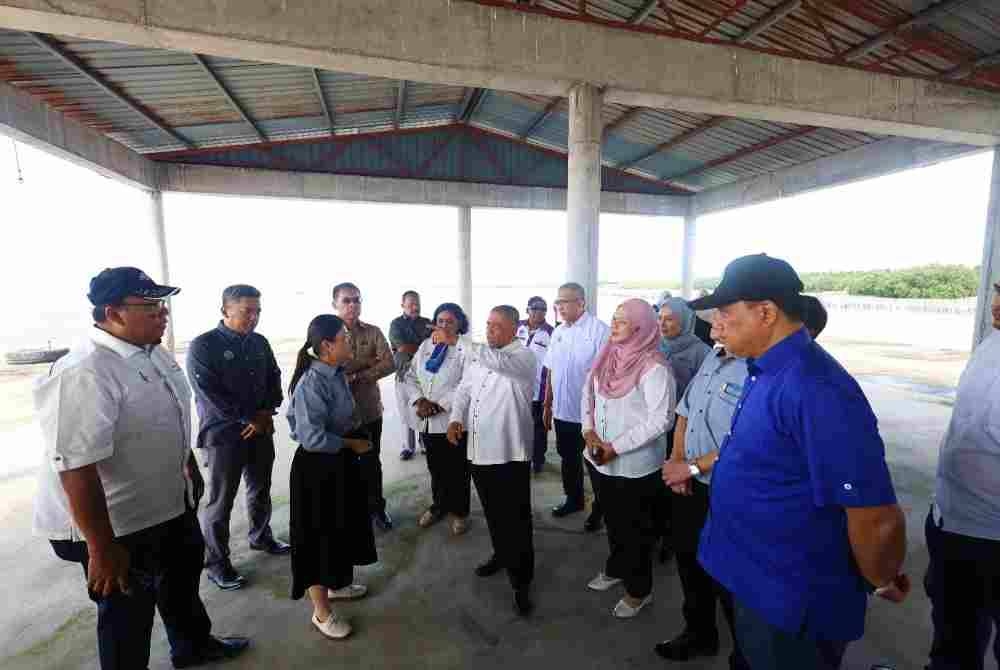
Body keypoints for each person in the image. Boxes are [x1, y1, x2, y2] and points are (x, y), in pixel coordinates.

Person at [693, 254, 908, 670]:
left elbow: (876, 515)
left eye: (724, 312)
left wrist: (881, 578)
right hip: (752, 578)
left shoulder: (816, 387)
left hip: (789, 597)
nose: (713, 324)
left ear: (766, 312)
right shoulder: (764, 369)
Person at [32, 267, 249, 669]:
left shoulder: (153, 351)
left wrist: (186, 464)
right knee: (127, 614)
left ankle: (193, 646)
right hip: (116, 523)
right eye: (149, 304)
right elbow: (76, 467)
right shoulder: (85, 371)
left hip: (167, 504)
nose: (161, 312)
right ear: (112, 312)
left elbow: (168, 418)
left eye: (161, 303)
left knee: (182, 583)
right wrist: (101, 547)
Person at [657, 316, 749, 667]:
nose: (713, 331)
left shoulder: (761, 371)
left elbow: (745, 439)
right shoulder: (716, 356)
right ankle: (699, 633)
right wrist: (677, 461)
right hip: (690, 485)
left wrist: (692, 467)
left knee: (729, 577)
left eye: (724, 320)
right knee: (689, 563)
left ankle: (746, 653)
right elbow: (685, 412)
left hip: (727, 492)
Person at [186, 284, 287, 592]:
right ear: (225, 310)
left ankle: (261, 536)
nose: (253, 317)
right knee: (220, 500)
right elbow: (210, 394)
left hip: (260, 430)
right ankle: (217, 563)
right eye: (247, 311)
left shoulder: (259, 342)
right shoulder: (203, 346)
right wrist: (250, 418)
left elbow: (274, 377)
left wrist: (267, 412)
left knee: (260, 488)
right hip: (223, 435)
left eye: (257, 311)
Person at [923, 280, 1000, 669]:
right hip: (952, 522)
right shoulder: (992, 344)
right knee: (953, 641)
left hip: (993, 535)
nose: (998, 303)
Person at [582, 299, 674, 619]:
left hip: (635, 467)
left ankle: (639, 590)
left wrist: (615, 447)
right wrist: (588, 431)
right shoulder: (608, 355)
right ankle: (617, 567)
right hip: (598, 458)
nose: (614, 326)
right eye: (614, 319)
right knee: (613, 521)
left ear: (640, 327)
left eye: (622, 321)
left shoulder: (654, 366)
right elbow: (588, 393)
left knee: (635, 530)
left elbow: (661, 420)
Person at [286, 314, 377, 640]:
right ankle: (321, 611)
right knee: (317, 538)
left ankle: (335, 584)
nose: (350, 342)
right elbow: (311, 437)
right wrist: (352, 443)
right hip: (317, 468)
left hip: (337, 462)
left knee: (339, 529)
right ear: (327, 345)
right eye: (345, 339)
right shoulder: (313, 381)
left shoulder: (336, 372)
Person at [443, 305, 537, 616]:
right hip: (479, 451)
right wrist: (456, 419)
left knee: (517, 520)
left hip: (509, 455)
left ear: (514, 329)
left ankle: (521, 581)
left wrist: (457, 339)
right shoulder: (480, 356)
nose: (490, 330)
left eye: (498, 326)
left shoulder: (522, 357)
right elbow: (464, 391)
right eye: (488, 324)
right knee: (494, 513)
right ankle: (500, 554)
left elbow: (495, 362)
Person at [543, 282, 610, 531]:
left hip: (590, 415)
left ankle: (600, 510)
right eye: (558, 301)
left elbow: (608, 376)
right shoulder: (559, 331)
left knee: (595, 462)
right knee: (568, 459)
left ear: (581, 303)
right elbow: (551, 370)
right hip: (563, 411)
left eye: (565, 301)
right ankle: (574, 499)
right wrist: (547, 405)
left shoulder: (599, 331)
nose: (559, 306)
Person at [401, 302, 471, 536]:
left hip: (452, 419)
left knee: (457, 470)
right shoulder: (425, 346)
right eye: (440, 321)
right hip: (427, 420)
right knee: (436, 469)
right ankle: (439, 506)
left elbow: (467, 383)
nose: (444, 325)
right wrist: (419, 401)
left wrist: (440, 404)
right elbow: (410, 376)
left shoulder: (464, 349)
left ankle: (460, 512)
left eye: (449, 321)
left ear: (459, 323)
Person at [332, 282, 397, 531]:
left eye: (356, 300)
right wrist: (368, 361)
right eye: (346, 300)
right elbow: (330, 369)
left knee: (371, 463)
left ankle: (377, 510)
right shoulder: (328, 333)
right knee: (343, 466)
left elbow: (389, 363)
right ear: (335, 304)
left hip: (369, 410)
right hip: (338, 416)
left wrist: (358, 374)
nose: (352, 305)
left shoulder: (373, 332)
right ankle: (351, 512)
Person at [655, 295, 711, 563]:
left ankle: (671, 538)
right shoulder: (656, 346)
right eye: (660, 319)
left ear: (686, 321)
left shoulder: (701, 352)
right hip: (655, 427)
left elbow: (701, 400)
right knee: (656, 481)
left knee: (676, 485)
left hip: (680, 431)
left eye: (669, 319)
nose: (662, 325)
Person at [388, 290, 433, 461]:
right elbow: (402, 347)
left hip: (425, 376)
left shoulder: (428, 323)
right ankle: (408, 447)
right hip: (403, 373)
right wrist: (424, 348)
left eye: (418, 303)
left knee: (423, 409)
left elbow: (435, 345)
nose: (415, 307)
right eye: (411, 304)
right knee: (405, 410)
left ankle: (424, 444)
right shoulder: (396, 324)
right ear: (403, 305)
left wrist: (420, 347)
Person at [516, 296, 554, 474]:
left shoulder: (552, 333)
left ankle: (538, 459)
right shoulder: (516, 326)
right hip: (514, 387)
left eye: (543, 309)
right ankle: (519, 456)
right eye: (535, 308)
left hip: (538, 390)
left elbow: (554, 364)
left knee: (538, 427)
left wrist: (549, 395)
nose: (539, 312)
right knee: (516, 423)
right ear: (527, 309)